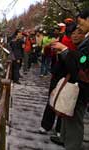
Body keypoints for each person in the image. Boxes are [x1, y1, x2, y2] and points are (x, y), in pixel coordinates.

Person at [50, 8, 89, 150]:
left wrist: (65, 51)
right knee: (68, 112)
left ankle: (72, 146)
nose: (79, 26)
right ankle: (64, 138)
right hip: (75, 82)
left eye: (80, 22)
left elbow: (83, 62)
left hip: (82, 86)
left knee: (75, 117)